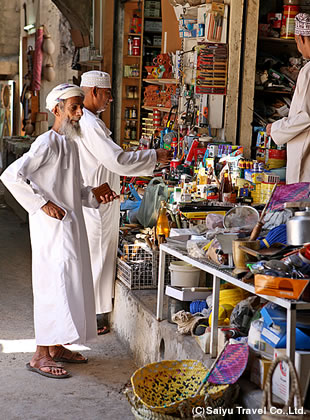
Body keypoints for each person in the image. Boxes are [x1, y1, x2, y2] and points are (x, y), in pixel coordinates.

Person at [0, 84, 118, 378]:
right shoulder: (46, 143)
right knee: (54, 286)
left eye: (80, 107)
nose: (79, 113)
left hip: (70, 227)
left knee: (72, 286)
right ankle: (40, 355)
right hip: (52, 232)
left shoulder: (69, 143)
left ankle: (57, 347)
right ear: (57, 110)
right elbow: (12, 176)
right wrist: (42, 204)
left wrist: (94, 194)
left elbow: (73, 189)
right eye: (74, 108)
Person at [78, 71, 172, 334]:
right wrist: (154, 156)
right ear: (95, 91)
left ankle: (93, 313)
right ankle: (95, 317)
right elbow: (116, 161)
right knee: (97, 256)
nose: (110, 98)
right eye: (107, 93)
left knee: (97, 255)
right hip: (97, 201)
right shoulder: (90, 123)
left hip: (100, 198)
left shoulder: (89, 121)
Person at [266, 13, 310, 184]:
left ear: (301, 38)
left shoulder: (308, 71)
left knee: (302, 207)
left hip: (305, 159)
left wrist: (275, 128)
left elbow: (305, 117)